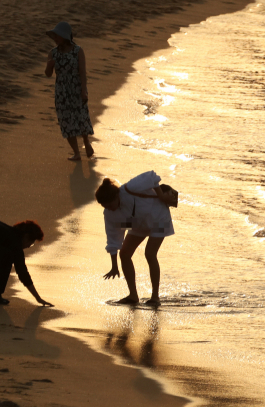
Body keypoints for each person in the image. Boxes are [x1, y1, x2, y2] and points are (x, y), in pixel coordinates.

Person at [95, 171, 175, 306]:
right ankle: (133, 295)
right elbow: (113, 237)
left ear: (116, 196)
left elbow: (152, 177)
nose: (109, 209)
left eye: (109, 205)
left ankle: (155, 297)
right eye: (105, 206)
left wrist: (160, 196)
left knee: (150, 254)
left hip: (159, 217)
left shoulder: (130, 188)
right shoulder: (109, 213)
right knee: (125, 253)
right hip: (138, 223)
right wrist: (114, 266)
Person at [45, 21, 95, 161]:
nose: (55, 39)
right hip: (61, 92)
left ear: (65, 36)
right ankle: (76, 153)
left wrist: (84, 90)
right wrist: (49, 66)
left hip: (76, 89)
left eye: (57, 36)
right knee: (66, 121)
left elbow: (82, 72)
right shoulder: (53, 53)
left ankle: (86, 142)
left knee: (81, 117)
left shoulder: (78, 51)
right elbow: (48, 74)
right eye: (54, 36)